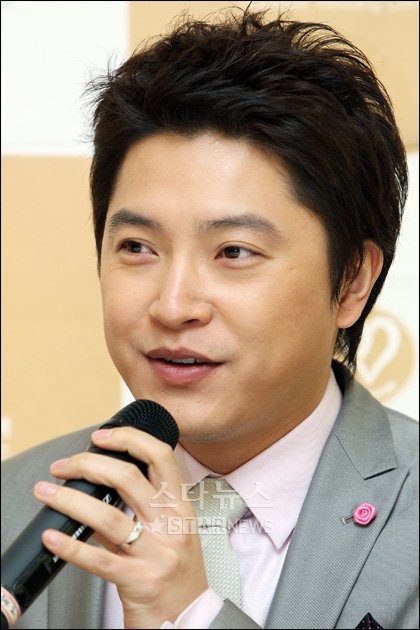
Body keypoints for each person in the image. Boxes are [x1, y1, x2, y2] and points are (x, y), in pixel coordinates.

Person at [1, 7, 418, 630]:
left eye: (234, 253)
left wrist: (190, 616)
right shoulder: (15, 503)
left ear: (353, 280)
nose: (173, 306)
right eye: (138, 247)